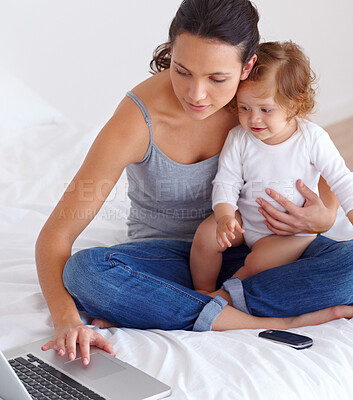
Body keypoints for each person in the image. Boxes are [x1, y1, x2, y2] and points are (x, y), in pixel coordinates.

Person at [35, 0, 353, 366]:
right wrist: (66, 321)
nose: (196, 94)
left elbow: (316, 152)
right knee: (85, 273)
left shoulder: (255, 103)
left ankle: (181, 308)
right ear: (170, 53)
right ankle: (264, 320)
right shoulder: (138, 120)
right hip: (172, 261)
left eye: (218, 79)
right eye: (181, 70)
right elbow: (56, 236)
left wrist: (325, 216)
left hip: (265, 247)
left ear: (247, 67)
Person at [190, 41, 353, 292]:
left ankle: (223, 296)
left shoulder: (312, 138)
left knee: (257, 262)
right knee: (205, 235)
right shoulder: (239, 138)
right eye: (244, 108)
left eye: (266, 109)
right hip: (247, 221)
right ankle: (201, 290)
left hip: (291, 233)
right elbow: (226, 182)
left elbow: (341, 180)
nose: (253, 118)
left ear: (294, 105)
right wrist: (224, 217)